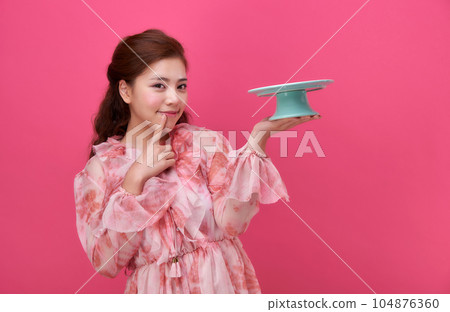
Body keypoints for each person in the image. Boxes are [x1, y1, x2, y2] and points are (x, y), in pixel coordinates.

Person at [73, 28, 321, 294]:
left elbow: (232, 224)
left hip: (221, 288)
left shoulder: (204, 144)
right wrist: (134, 181)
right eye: (159, 85)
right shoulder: (102, 169)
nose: (174, 98)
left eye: (181, 86)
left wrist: (259, 139)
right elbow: (106, 264)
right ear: (125, 90)